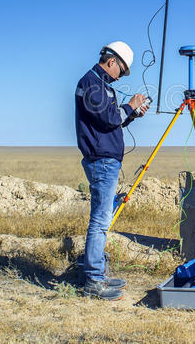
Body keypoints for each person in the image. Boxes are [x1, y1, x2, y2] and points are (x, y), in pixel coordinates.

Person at [74, 40, 149, 300]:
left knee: (102, 220)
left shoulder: (102, 85)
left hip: (106, 160)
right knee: (100, 222)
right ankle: (94, 281)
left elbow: (111, 120)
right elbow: (109, 119)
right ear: (112, 61)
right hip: (102, 161)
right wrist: (130, 105)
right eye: (122, 70)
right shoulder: (91, 84)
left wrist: (132, 114)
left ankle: (98, 275)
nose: (121, 76)